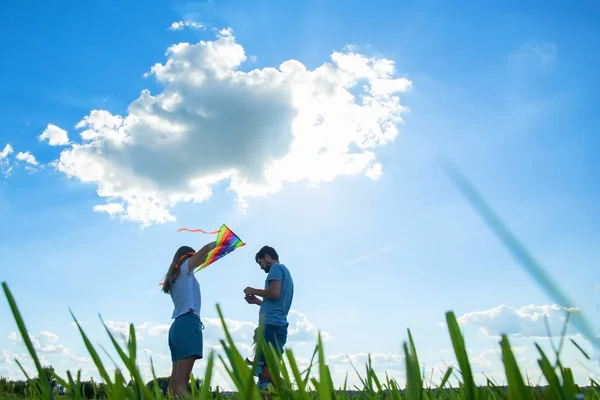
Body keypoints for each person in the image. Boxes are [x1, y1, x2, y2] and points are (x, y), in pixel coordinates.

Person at [161, 242, 216, 398]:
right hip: (188, 323)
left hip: (177, 327)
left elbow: (203, 257)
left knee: (175, 379)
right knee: (182, 381)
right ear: (186, 258)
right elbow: (204, 252)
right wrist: (219, 243)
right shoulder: (185, 268)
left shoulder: (175, 277)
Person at [243, 245, 294, 386]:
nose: (261, 267)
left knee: (267, 374)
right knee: (266, 375)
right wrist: (258, 302)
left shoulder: (276, 269)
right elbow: (277, 303)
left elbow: (274, 293)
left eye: (260, 263)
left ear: (266, 257)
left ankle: (290, 394)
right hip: (276, 325)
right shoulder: (285, 272)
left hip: (271, 326)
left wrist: (253, 290)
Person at [245, 327, 270, 392]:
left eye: (255, 334)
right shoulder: (259, 349)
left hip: (265, 378)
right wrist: (251, 363)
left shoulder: (263, 349)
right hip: (261, 378)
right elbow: (259, 362)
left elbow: (264, 363)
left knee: (266, 393)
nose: (254, 336)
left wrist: (251, 363)